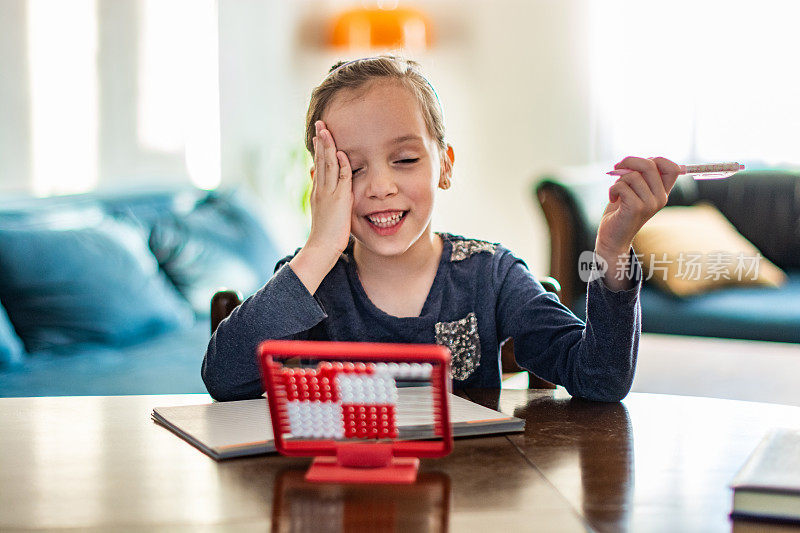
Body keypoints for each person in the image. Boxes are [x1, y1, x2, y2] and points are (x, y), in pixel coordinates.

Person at [202, 55, 680, 402]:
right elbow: (224, 378)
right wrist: (321, 246)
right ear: (323, 184)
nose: (381, 187)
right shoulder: (308, 280)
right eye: (352, 169)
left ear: (444, 166)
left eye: (405, 159)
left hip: (463, 498)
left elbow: (601, 379)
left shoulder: (491, 275)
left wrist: (613, 249)